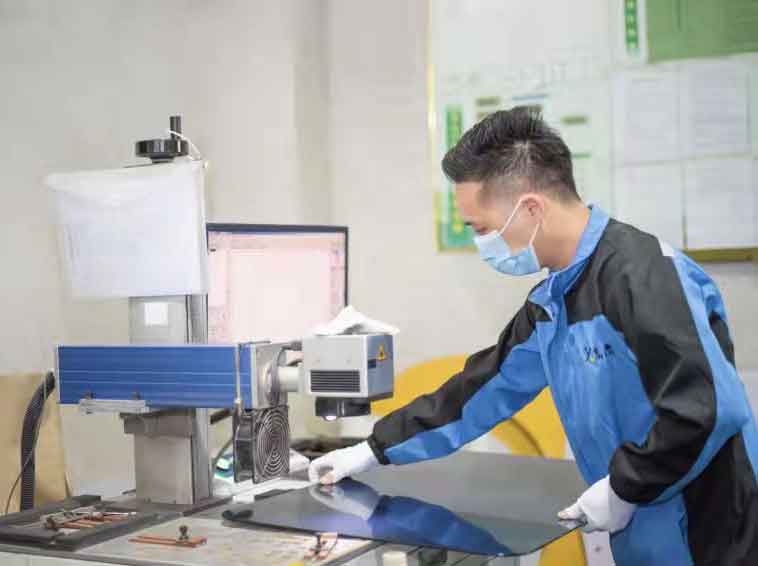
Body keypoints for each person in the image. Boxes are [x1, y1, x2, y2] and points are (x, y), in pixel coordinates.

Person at [308, 107, 758, 565]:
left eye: (481, 229)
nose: (481, 244)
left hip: (713, 530)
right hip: (643, 529)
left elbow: (707, 409)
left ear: (531, 209)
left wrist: (626, 486)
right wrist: (372, 449)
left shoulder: (643, 276)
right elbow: (480, 391)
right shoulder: (553, 300)